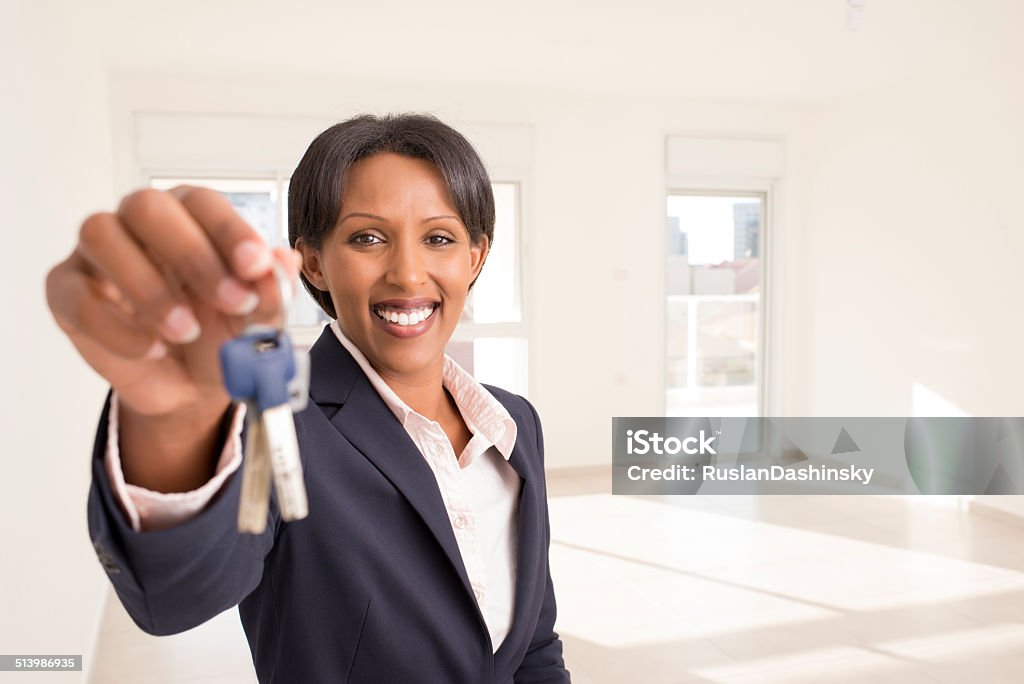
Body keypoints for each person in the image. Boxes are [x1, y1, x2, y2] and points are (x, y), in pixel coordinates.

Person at [46, 113, 571, 683]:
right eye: (367, 237)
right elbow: (174, 596)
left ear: (475, 257)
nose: (408, 273)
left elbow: (534, 644)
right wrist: (173, 418)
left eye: (439, 238)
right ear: (315, 262)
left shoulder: (514, 423)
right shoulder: (275, 426)